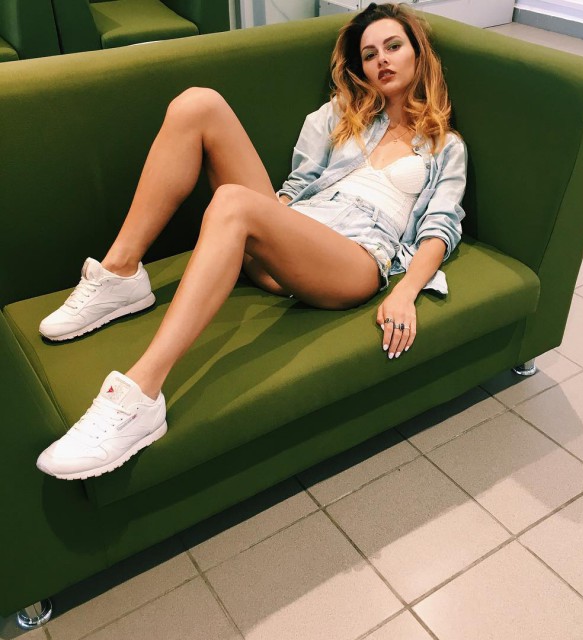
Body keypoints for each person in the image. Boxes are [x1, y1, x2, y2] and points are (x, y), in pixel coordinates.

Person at [36, 2, 467, 480]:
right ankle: (120, 272)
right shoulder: (340, 115)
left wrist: (406, 292)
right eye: (369, 54)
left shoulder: (445, 145)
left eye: (393, 46)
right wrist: (274, 219)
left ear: (417, 54)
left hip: (354, 259)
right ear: (359, 68)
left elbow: (439, 229)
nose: (382, 59)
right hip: (295, 237)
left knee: (232, 201)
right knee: (198, 103)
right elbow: (298, 185)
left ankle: (140, 394)